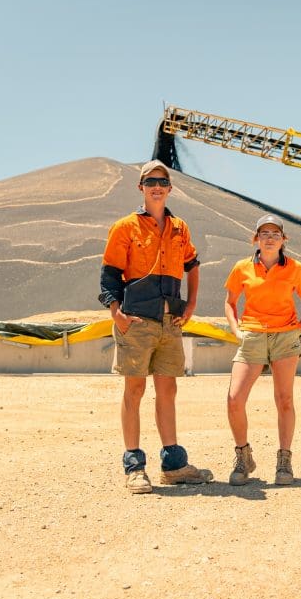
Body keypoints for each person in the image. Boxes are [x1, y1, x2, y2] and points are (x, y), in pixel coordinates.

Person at [99, 160, 213, 494]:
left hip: (170, 321)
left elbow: (192, 265)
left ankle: (174, 464)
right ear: (141, 187)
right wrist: (115, 312)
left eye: (162, 181)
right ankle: (134, 466)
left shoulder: (180, 227)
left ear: (170, 188)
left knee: (168, 390)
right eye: (150, 181)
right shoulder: (126, 227)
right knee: (134, 390)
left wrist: (191, 305)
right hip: (136, 319)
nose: (157, 186)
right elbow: (109, 273)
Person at [223, 215, 301, 486]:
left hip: (284, 337)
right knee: (234, 399)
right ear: (256, 238)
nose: (270, 237)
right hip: (252, 334)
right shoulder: (242, 268)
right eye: (264, 232)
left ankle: (284, 461)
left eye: (275, 232)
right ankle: (243, 456)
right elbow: (230, 302)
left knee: (284, 399)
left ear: (283, 239)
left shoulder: (296, 268)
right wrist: (236, 329)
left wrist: (298, 328)